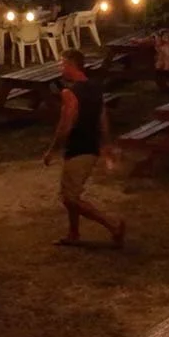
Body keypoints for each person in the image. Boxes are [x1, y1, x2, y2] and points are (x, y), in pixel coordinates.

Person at [43, 49, 125, 248]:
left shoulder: (69, 93)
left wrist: (52, 149)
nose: (60, 67)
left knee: (69, 198)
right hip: (91, 145)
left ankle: (112, 225)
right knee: (72, 193)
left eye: (62, 63)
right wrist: (105, 143)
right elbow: (102, 118)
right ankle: (73, 233)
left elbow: (66, 124)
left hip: (78, 147)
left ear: (71, 64)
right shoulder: (95, 88)